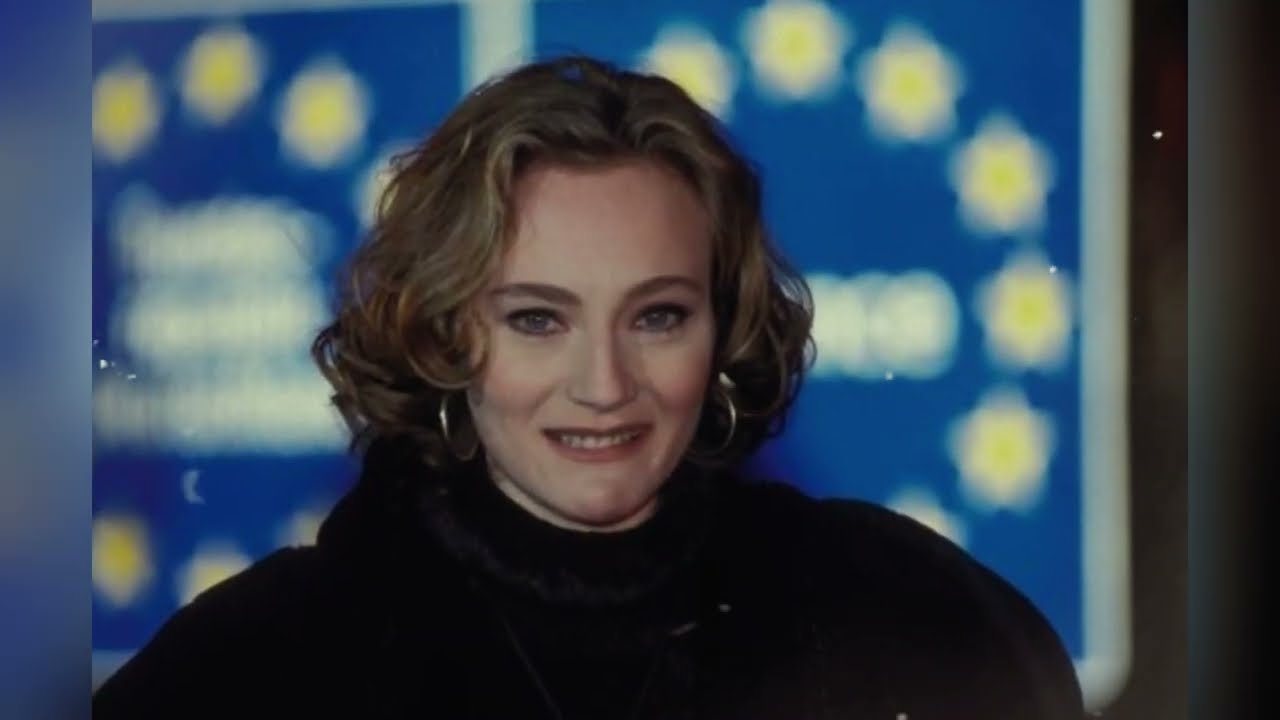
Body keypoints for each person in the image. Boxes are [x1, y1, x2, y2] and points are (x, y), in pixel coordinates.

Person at [93, 55, 1084, 719]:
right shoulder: (260, 670)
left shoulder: (910, 617)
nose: (604, 384)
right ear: (442, 332)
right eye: (538, 319)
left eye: (658, 316)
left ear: (724, 324)